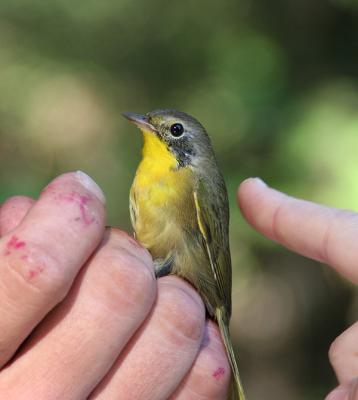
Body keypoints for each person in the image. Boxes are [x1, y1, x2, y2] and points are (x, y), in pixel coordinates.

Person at [0, 172, 355, 400]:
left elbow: (214, 257)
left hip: (195, 286)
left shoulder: (196, 184)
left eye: (172, 130)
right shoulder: (145, 177)